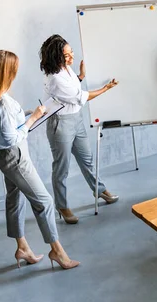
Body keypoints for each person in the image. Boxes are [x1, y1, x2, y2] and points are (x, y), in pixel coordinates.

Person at [0, 50, 79, 269]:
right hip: (16, 157)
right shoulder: (2, 103)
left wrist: (30, 114)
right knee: (44, 202)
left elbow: (6, 128)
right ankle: (58, 252)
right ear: (8, 72)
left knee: (15, 199)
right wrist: (34, 119)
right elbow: (11, 137)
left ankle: (23, 247)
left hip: (4, 157)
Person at [40, 34, 119, 224]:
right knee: (62, 168)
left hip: (76, 119)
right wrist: (106, 88)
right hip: (61, 124)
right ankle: (62, 206)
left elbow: (73, 87)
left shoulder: (66, 69)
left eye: (71, 52)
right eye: (66, 55)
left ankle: (99, 190)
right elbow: (80, 97)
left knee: (87, 159)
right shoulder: (54, 78)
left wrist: (81, 76)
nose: (71, 58)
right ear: (55, 57)